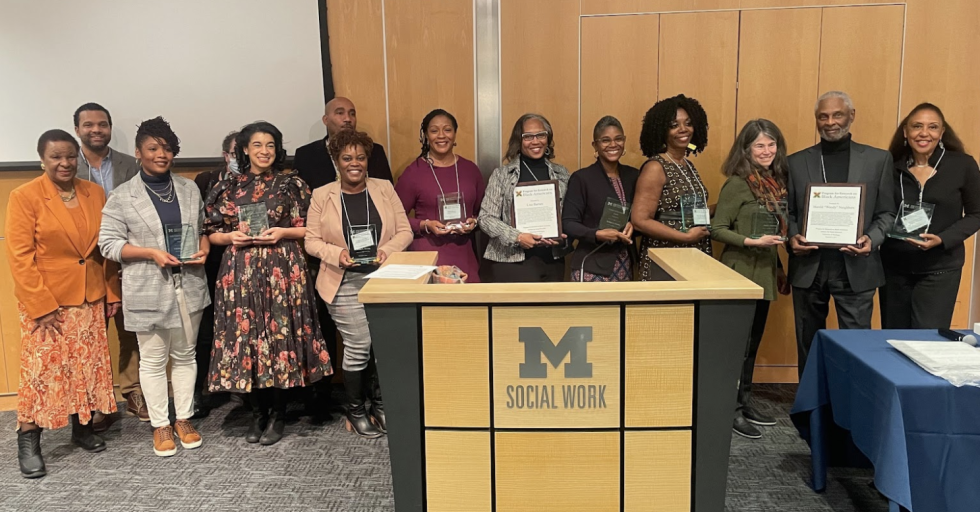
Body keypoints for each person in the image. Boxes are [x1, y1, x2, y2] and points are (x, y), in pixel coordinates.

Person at [205, 121, 332, 446]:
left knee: (279, 338)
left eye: (270, 145)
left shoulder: (290, 184)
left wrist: (283, 232)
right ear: (245, 150)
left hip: (282, 269)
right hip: (240, 272)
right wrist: (230, 237)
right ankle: (256, 413)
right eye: (257, 145)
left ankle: (278, 414)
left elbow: (313, 228)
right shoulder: (227, 186)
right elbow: (211, 232)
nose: (264, 151)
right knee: (247, 337)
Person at [6, 130, 121, 478]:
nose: (65, 163)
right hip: (47, 304)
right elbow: (20, 257)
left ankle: (82, 428)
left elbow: (104, 248)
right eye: (56, 157)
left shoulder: (94, 192)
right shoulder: (24, 196)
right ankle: (29, 441)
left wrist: (112, 292)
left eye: (70, 156)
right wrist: (40, 305)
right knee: (41, 373)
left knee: (85, 367)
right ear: (42, 160)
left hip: (90, 296)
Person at [99, 117, 210, 457]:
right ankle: (161, 424)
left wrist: (204, 248)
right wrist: (150, 253)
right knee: (152, 360)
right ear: (138, 152)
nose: (161, 154)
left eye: (167, 148)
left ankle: (184, 418)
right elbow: (108, 244)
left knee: (186, 355)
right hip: (147, 286)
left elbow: (202, 229)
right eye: (153, 148)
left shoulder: (189, 189)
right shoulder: (122, 196)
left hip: (189, 283)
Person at [305, 129, 413, 438]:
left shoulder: (384, 188)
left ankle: (379, 405)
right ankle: (355, 411)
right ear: (336, 161)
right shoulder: (322, 195)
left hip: (382, 278)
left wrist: (386, 251)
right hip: (342, 282)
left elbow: (405, 231)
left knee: (382, 345)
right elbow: (311, 241)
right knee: (359, 345)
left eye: (361, 157)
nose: (355, 163)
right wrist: (337, 254)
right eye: (347, 158)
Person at [787, 91, 895, 377]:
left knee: (857, 345)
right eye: (823, 116)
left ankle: (854, 397)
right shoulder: (795, 162)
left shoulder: (878, 160)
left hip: (857, 265)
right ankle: (811, 398)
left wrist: (872, 239)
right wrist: (793, 236)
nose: (830, 122)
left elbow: (887, 213)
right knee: (808, 342)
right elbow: (788, 212)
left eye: (837, 115)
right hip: (809, 266)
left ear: (851, 116)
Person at [711, 119, 792, 440]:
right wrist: (750, 241)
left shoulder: (775, 184)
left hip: (764, 274)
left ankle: (743, 403)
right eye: (759, 145)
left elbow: (773, 234)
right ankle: (729, 410)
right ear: (745, 150)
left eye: (772, 144)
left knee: (752, 345)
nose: (767, 151)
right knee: (737, 347)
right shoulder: (737, 184)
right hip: (739, 273)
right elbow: (717, 229)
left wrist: (780, 270)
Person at [73, 102, 147, 424]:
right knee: (92, 334)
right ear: (77, 129)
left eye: (102, 124)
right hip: (86, 262)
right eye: (88, 125)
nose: (96, 130)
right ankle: (96, 399)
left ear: (110, 128)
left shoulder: (130, 164)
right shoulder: (66, 164)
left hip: (126, 257)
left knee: (131, 329)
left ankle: (133, 391)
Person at [880, 103, 980, 329]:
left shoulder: (962, 165)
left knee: (928, 339)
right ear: (905, 132)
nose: (924, 133)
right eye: (917, 126)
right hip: (894, 267)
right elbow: (879, 211)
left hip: (940, 267)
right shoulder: (889, 166)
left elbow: (976, 214)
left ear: (941, 132)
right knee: (894, 338)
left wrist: (943, 239)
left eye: (932, 127)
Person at [478, 113, 570, 282]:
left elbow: (570, 215)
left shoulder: (561, 174)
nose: (535, 141)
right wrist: (517, 237)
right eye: (528, 137)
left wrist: (563, 236)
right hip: (512, 262)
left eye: (541, 135)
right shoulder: (502, 175)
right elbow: (485, 218)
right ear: (518, 141)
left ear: (548, 138)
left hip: (553, 260)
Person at [395, 109, 485, 281]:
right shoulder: (413, 173)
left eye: (447, 130)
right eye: (434, 130)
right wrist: (424, 225)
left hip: (465, 253)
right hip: (428, 255)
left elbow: (483, 213)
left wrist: (474, 222)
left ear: (455, 134)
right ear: (426, 136)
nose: (441, 135)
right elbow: (394, 217)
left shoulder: (470, 170)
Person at [631, 94, 713, 281]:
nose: (683, 129)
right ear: (662, 130)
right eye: (674, 125)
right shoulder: (655, 167)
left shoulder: (687, 164)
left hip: (694, 253)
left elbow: (685, 210)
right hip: (666, 257)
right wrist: (685, 237)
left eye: (688, 123)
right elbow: (640, 220)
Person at [191, 130, 240, 418]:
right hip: (211, 264)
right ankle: (198, 392)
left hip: (245, 265)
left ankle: (244, 389)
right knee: (206, 332)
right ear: (225, 155)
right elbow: (197, 223)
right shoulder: (205, 181)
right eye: (235, 153)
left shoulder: (260, 183)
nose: (240, 158)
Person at [563, 116, 638, 282]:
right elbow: (568, 223)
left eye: (618, 139)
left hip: (625, 263)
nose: (613, 144)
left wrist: (633, 225)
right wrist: (596, 234)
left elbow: (642, 215)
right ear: (595, 145)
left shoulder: (633, 176)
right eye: (605, 140)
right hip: (592, 263)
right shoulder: (582, 178)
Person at [293, 96, 393, 189]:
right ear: (326, 120)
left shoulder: (374, 151)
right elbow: (300, 195)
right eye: (340, 113)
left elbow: (386, 191)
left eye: (352, 114)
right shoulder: (306, 155)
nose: (348, 119)